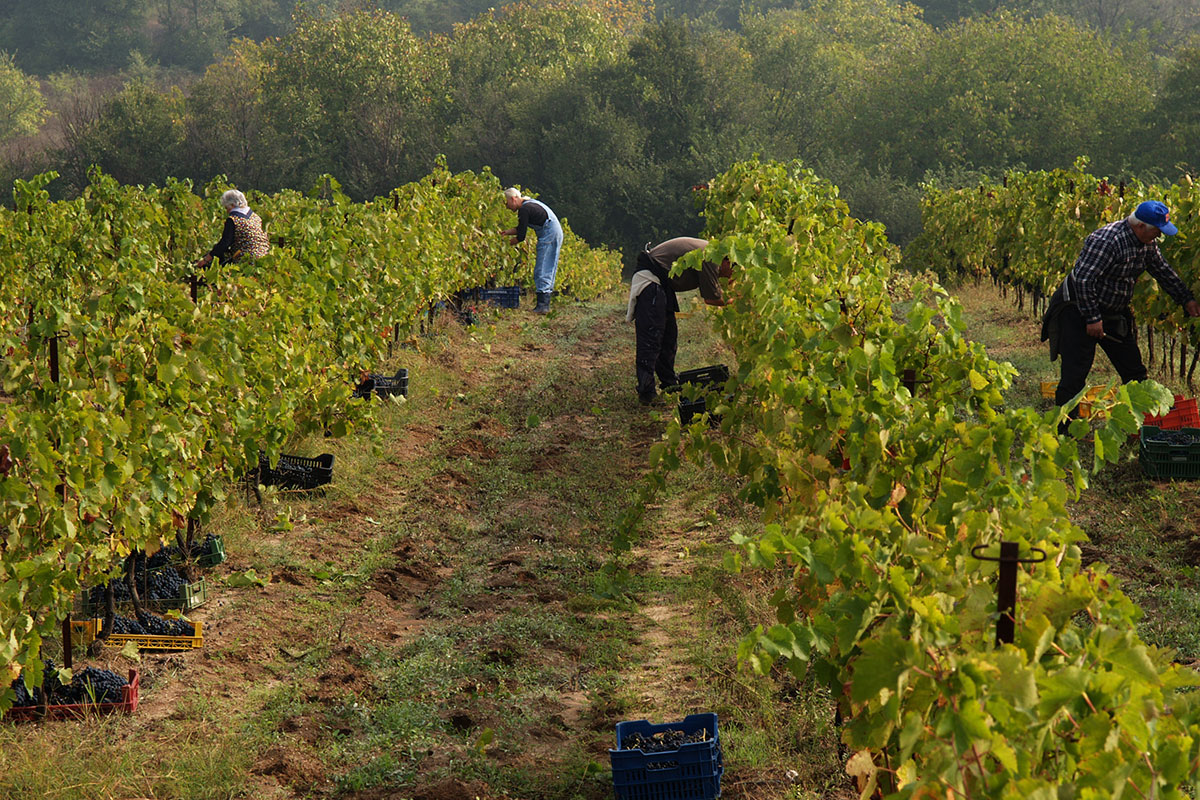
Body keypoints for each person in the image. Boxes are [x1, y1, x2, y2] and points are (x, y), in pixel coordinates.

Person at [1042, 200, 1200, 424]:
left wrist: (1187, 299)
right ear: (1140, 226)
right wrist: (1093, 318)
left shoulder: (1147, 243)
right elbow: (1084, 280)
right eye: (1157, 231)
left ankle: (1143, 423)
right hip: (1078, 309)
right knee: (1075, 374)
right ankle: (1064, 430)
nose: (1158, 237)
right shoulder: (1107, 240)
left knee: (1134, 370)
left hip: (1114, 311)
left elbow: (1163, 271)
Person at [625, 237, 731, 405]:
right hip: (651, 280)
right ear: (728, 261)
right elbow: (712, 299)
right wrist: (736, 302)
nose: (730, 276)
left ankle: (669, 385)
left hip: (662, 285)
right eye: (732, 271)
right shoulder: (712, 257)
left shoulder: (714, 253)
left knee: (668, 338)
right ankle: (647, 393)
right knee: (651, 340)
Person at [500, 188, 562, 314]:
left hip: (549, 233)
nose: (507, 207)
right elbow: (520, 228)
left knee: (543, 267)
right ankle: (544, 303)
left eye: (507, 203)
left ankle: (543, 305)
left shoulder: (524, 209)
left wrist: (506, 245)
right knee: (548, 266)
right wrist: (506, 233)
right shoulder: (528, 205)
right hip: (553, 231)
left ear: (513, 199)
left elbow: (521, 236)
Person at [194, 189, 270, 269]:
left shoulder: (234, 219)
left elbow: (224, 244)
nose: (227, 211)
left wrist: (206, 259)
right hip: (264, 257)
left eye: (227, 208)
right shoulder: (255, 217)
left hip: (247, 260)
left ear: (233, 205)